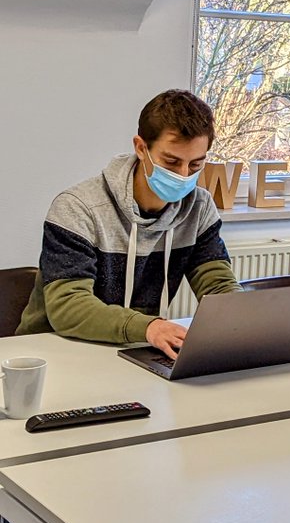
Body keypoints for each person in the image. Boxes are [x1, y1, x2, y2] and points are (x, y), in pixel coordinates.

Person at [18, 90, 240, 358]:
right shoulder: (77, 208)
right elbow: (68, 307)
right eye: (171, 162)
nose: (183, 175)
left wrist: (245, 317)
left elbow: (218, 285)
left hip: (135, 349)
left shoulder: (199, 208)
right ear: (141, 148)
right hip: (52, 352)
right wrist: (149, 327)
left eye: (195, 165)